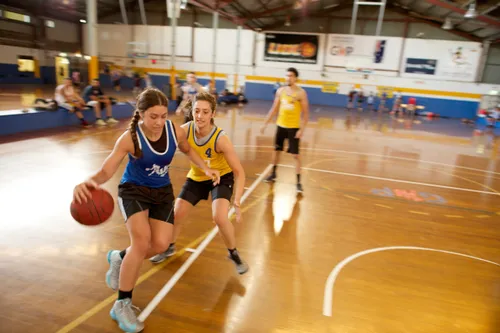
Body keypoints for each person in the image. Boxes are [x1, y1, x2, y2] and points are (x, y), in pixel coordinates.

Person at [72, 88, 220, 333]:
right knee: (140, 244)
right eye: (153, 116)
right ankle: (122, 304)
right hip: (133, 191)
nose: (159, 122)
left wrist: (205, 168)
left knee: (161, 245)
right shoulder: (130, 138)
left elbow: (187, 149)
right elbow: (107, 170)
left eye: (163, 116)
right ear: (140, 114)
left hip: (162, 192)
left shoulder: (174, 131)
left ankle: (119, 257)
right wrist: (88, 181)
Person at [150, 91, 248, 274]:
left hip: (220, 177)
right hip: (197, 176)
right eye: (196, 111)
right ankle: (170, 247)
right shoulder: (185, 130)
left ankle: (233, 252)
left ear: (212, 114)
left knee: (219, 217)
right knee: (176, 213)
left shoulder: (220, 139)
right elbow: (161, 139)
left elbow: (239, 172)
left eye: (205, 112)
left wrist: (237, 200)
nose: (200, 116)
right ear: (192, 111)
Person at [260, 67, 309, 194]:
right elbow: (274, 109)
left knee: (296, 155)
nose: (288, 78)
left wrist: (301, 130)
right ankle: (273, 174)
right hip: (281, 126)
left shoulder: (301, 93)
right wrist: (264, 123)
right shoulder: (280, 91)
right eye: (287, 75)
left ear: (296, 78)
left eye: (291, 76)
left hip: (293, 128)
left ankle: (298, 182)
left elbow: (306, 114)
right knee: (276, 151)